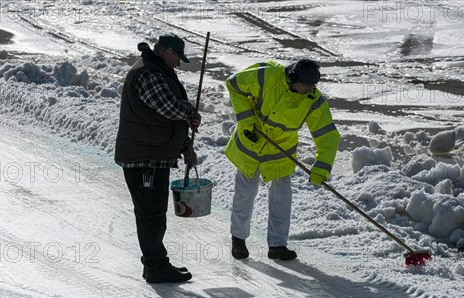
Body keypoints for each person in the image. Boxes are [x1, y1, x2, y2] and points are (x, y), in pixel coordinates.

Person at [225, 59, 340, 260]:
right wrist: (247, 121)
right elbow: (234, 84)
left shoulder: (313, 98)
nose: (307, 90)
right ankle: (238, 240)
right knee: (245, 192)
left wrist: (321, 167)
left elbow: (327, 134)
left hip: (281, 150)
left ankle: (277, 246)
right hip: (251, 141)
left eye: (311, 86)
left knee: (282, 198)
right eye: (304, 85)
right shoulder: (267, 76)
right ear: (292, 77)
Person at [115, 33, 200, 283]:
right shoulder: (149, 73)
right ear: (167, 52)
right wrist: (190, 112)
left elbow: (162, 119)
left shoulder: (158, 70)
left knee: (153, 213)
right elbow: (168, 108)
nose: (179, 64)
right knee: (151, 215)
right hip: (145, 159)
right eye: (177, 58)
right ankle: (155, 266)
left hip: (153, 155)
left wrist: (184, 145)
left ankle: (154, 263)